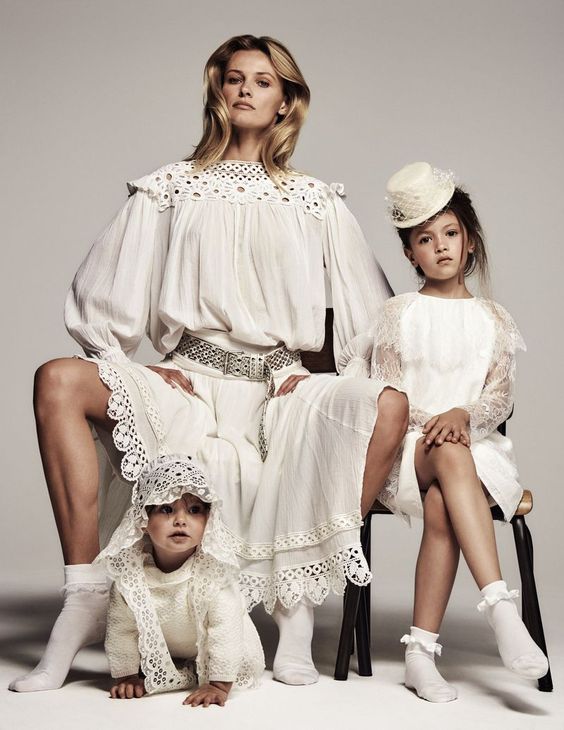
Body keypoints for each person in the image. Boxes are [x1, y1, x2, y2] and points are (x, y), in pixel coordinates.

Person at [10, 34, 406, 692]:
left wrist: (315, 374)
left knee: (386, 405)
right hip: (188, 383)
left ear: (286, 102)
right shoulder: (170, 187)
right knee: (57, 380)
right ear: (218, 90)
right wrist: (126, 357)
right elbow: (105, 289)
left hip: (280, 386)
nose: (246, 89)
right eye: (234, 78)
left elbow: (372, 315)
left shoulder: (315, 201)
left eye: (263, 80)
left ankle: (298, 599)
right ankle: (85, 595)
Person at [339, 161, 549, 702]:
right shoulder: (398, 313)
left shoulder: (494, 318)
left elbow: (500, 396)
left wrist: (464, 417)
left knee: (445, 499)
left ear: (470, 240)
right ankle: (500, 606)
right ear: (411, 253)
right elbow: (386, 393)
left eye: (450, 234)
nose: (441, 247)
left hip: (476, 447)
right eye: (425, 240)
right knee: (450, 457)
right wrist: (439, 422)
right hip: (407, 451)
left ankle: (420, 654)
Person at [101, 454, 264, 706]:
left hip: (227, 654)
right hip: (173, 652)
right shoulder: (130, 578)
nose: (180, 520)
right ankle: (175, 666)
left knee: (227, 637)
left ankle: (216, 675)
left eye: (194, 510)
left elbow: (225, 630)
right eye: (166, 509)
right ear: (143, 520)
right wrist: (128, 676)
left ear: (208, 521)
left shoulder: (213, 575)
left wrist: (218, 685)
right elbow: (121, 629)